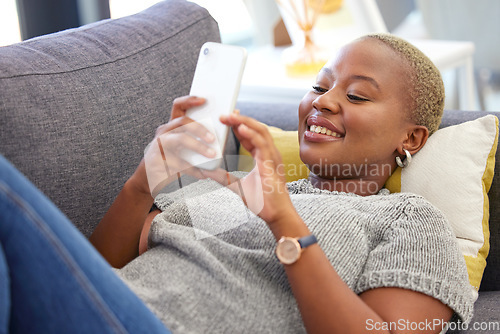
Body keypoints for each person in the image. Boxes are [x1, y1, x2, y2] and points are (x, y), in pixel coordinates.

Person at [0, 33, 474, 334]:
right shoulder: (226, 185)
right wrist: (141, 185)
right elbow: (97, 271)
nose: (324, 102)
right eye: (318, 87)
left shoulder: (410, 220)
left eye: (355, 95)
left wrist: (282, 219)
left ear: (411, 137)